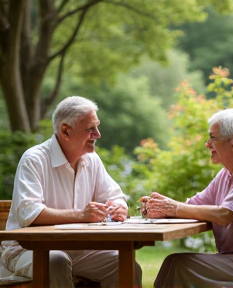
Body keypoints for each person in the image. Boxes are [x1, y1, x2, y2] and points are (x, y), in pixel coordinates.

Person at [0, 96, 142, 288]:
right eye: (90, 129)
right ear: (66, 130)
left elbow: (114, 195)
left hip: (77, 250)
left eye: (97, 127)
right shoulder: (33, 160)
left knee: (125, 265)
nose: (98, 134)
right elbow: (30, 215)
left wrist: (119, 207)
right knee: (56, 261)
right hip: (25, 250)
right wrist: (82, 216)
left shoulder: (92, 160)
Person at [141, 108, 233, 288]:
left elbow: (225, 215)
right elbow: (195, 206)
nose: (207, 144)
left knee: (180, 265)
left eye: (213, 138)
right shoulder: (227, 173)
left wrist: (173, 207)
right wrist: (161, 210)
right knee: (172, 262)